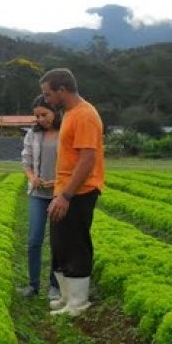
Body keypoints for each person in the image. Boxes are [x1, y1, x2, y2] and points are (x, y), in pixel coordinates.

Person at [39, 68, 105, 316]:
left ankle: (78, 303)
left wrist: (66, 196)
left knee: (76, 242)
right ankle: (67, 297)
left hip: (80, 191)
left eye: (48, 94)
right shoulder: (69, 113)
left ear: (62, 90)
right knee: (60, 242)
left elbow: (88, 160)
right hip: (64, 189)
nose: (46, 99)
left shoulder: (85, 115)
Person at [18, 94, 62, 301]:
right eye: (37, 116)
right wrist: (32, 177)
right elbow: (26, 161)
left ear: (55, 111)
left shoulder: (66, 132)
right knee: (34, 240)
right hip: (37, 193)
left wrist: (58, 183)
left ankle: (55, 285)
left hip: (59, 194)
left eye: (44, 114)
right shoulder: (33, 135)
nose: (40, 120)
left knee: (56, 242)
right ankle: (33, 285)